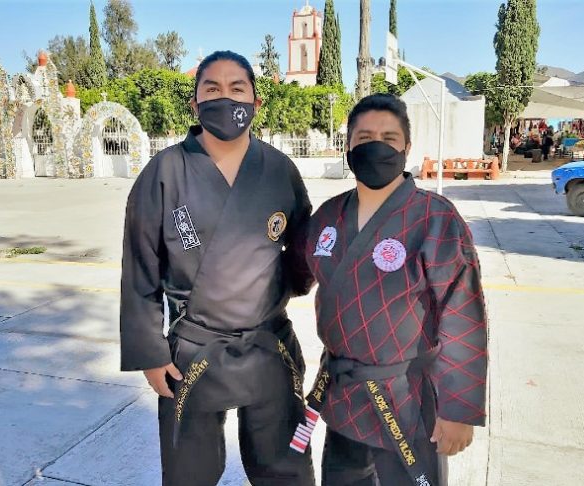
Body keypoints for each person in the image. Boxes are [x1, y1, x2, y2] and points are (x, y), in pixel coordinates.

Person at [120, 50, 316, 486]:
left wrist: (293, 285)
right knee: (189, 471)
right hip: (194, 347)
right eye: (212, 89)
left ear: (256, 102)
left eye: (237, 88)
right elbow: (140, 267)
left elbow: (302, 248)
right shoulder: (164, 171)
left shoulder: (280, 169)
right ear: (195, 104)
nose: (225, 97)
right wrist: (151, 352)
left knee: (287, 467)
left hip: (270, 345)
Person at [291, 94, 488, 486]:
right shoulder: (328, 216)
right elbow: (294, 273)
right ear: (348, 147)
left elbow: (463, 314)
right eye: (364, 137)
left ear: (406, 148)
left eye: (388, 138)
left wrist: (459, 408)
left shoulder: (434, 216)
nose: (375, 146)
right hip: (344, 395)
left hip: (406, 398)